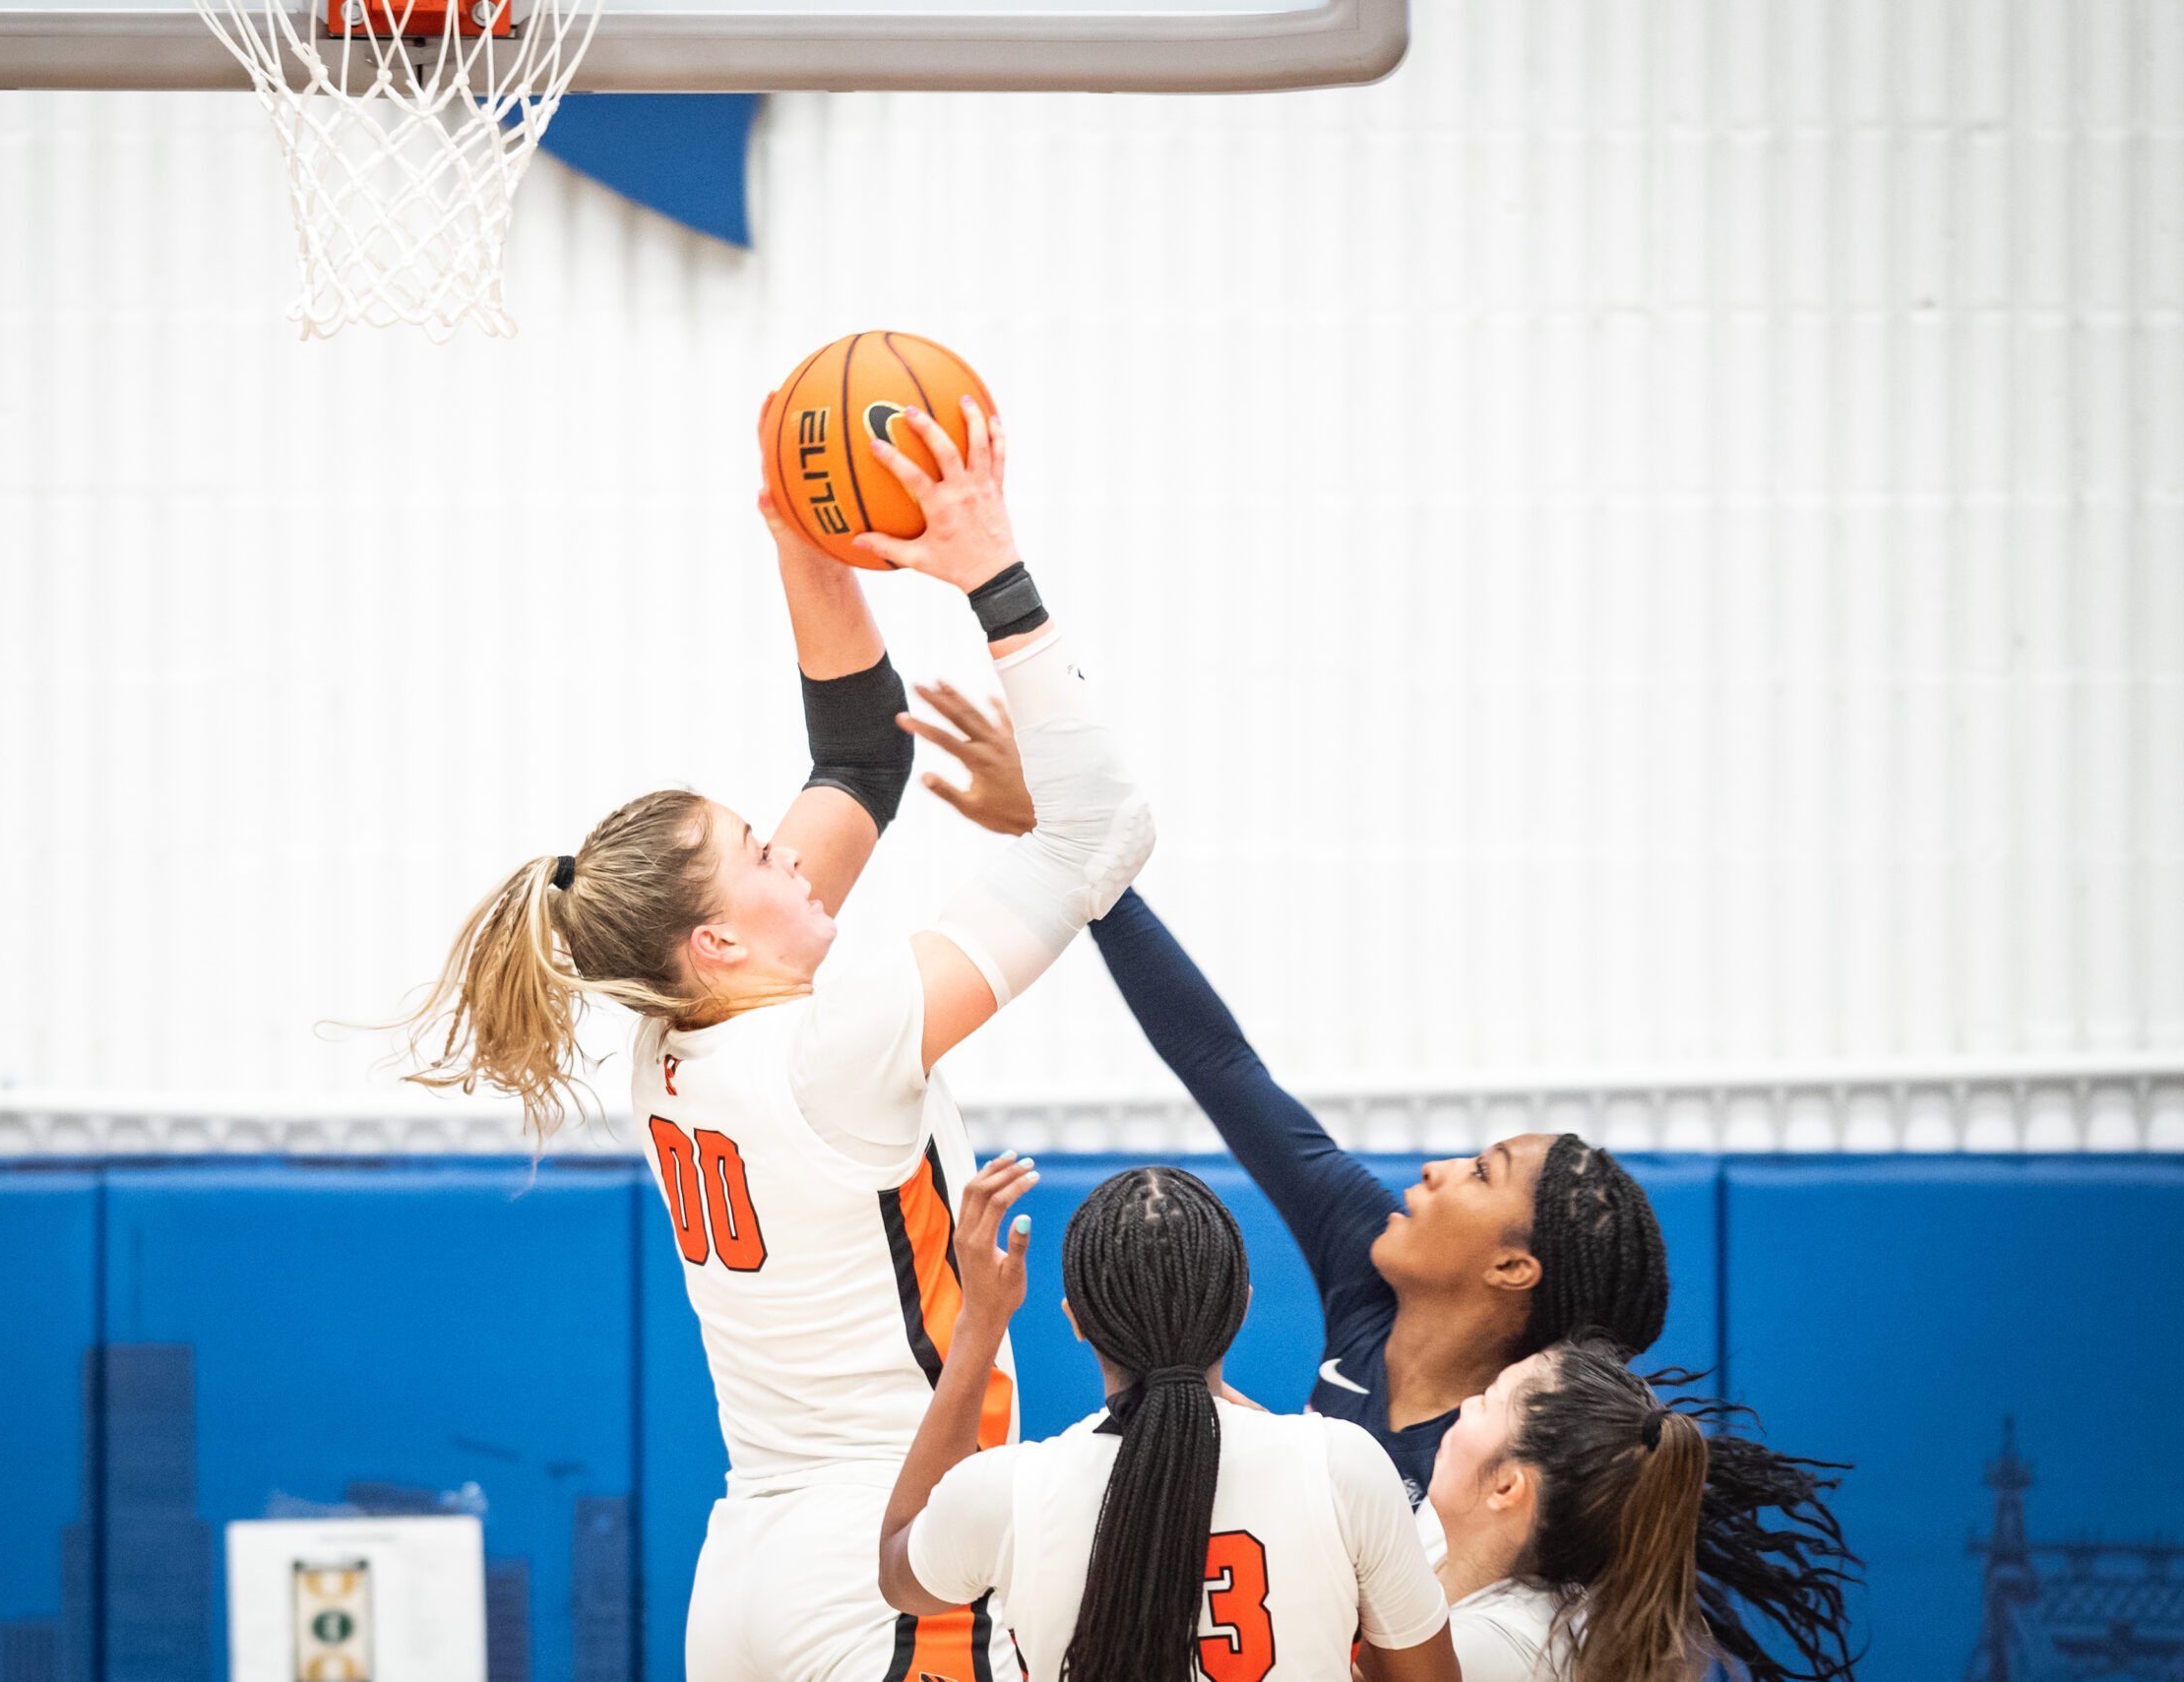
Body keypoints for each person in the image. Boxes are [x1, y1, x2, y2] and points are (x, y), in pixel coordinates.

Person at [406, 396, 1153, 1682]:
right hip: (888, 1555)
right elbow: (1103, 837)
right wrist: (991, 568)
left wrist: (803, 533)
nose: (789, 850)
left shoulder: (665, 1037)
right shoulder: (839, 1048)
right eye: (759, 850)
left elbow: (860, 758)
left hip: (750, 1559)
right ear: (716, 939)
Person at [898, 684, 1669, 1507]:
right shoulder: (1370, 1250)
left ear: (1513, 1266)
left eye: (1482, 1172)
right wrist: (1070, 851)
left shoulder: (1509, 1459)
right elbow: (1219, 1062)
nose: (1439, 1167)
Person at [878, 1160, 1462, 1682]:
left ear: (1076, 1321)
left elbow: (898, 1574)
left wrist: (981, 1323)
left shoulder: (1005, 1493)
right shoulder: (1342, 1465)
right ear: (1241, 1308)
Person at [1429, 1338, 1859, 1682]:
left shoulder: (1492, 1649)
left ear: (1507, 1487)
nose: (1466, 1404)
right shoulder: (1440, 1531)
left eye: (1486, 1401)